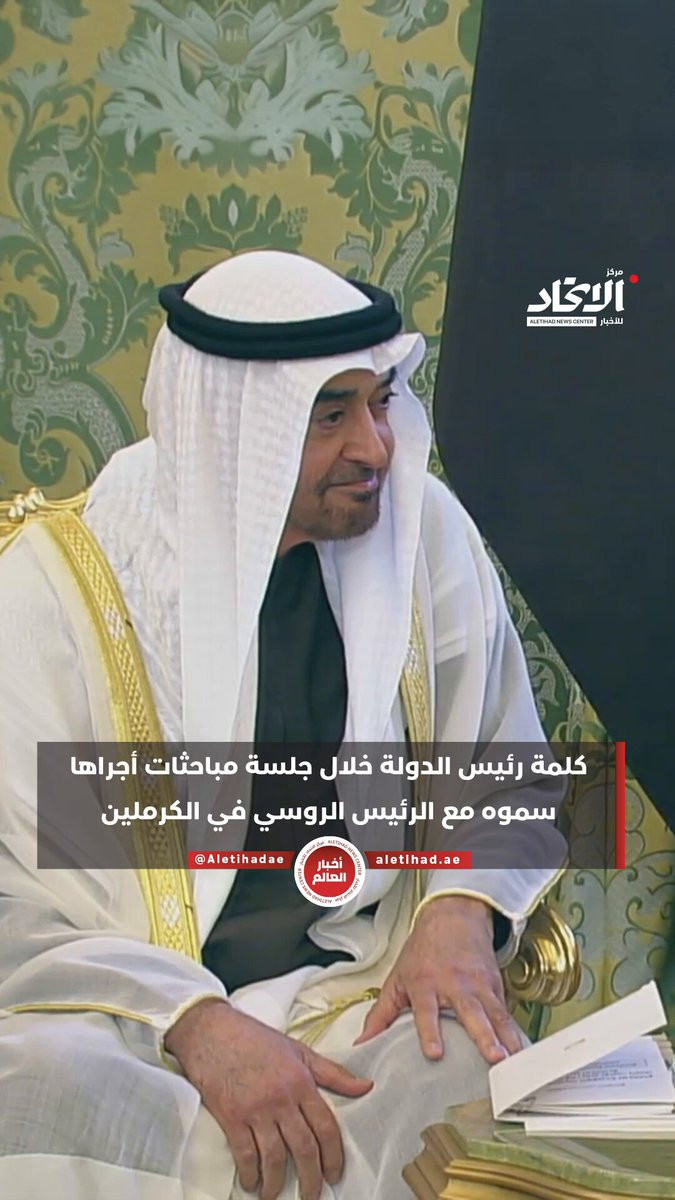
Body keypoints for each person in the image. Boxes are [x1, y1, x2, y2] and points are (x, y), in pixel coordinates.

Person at [0, 251, 564, 1200]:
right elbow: (13, 892)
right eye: (329, 415)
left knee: (461, 1063)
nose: (374, 449)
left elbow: (507, 767)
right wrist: (193, 1020)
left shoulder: (421, 535)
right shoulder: (54, 590)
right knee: (43, 1088)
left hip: (354, 988)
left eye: (380, 402)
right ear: (231, 432)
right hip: (126, 1015)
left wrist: (459, 910)